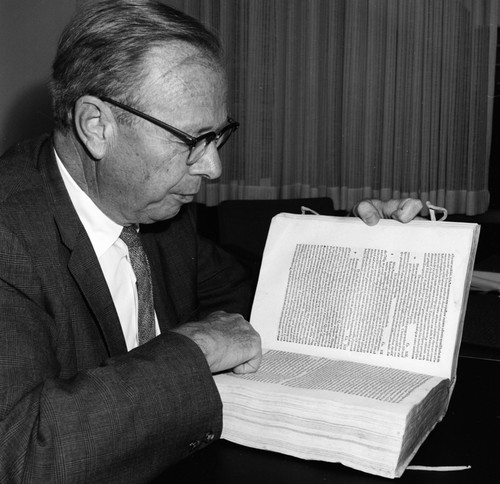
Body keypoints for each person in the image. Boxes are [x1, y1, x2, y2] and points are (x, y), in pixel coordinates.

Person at [0, 1, 422, 482]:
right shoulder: (9, 235)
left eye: (218, 136)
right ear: (97, 125)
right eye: (191, 139)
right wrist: (194, 350)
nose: (212, 168)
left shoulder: (157, 205)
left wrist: (367, 249)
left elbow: (246, 298)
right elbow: (20, 454)